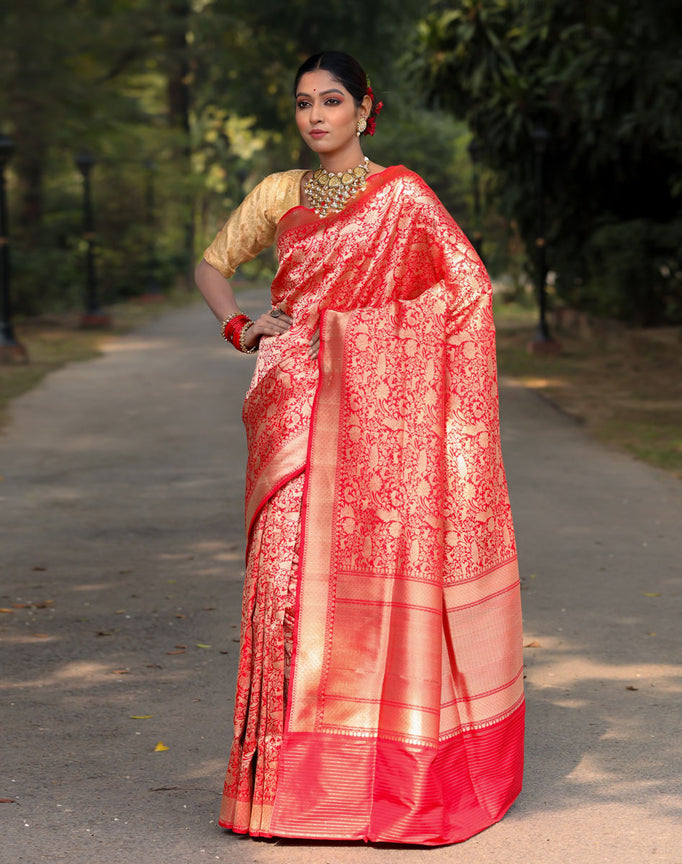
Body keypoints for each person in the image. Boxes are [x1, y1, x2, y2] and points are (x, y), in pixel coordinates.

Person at [195, 50, 524, 846]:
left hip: (378, 418)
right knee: (282, 586)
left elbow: (466, 286)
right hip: (292, 405)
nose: (315, 116)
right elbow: (212, 264)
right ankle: (277, 789)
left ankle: (373, 779)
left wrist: (370, 342)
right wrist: (242, 326)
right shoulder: (278, 192)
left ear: (363, 108)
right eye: (304, 102)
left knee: (361, 580)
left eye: (331, 101)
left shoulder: (403, 194)